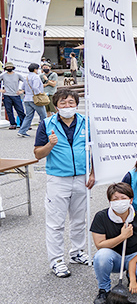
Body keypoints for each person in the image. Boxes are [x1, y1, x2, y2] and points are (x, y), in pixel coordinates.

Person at [33, 88, 95, 277]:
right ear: (56, 105)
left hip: (82, 179)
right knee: (55, 223)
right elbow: (37, 154)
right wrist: (50, 144)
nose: (67, 106)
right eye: (63, 103)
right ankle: (57, 260)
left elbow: (95, 151)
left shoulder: (87, 123)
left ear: (76, 104)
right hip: (58, 179)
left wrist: (92, 173)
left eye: (71, 103)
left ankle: (77, 252)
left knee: (79, 220)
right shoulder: (46, 124)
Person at [90, 183, 137, 304]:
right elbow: (99, 245)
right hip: (114, 258)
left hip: (135, 256)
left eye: (123, 198)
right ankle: (104, 290)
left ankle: (132, 275)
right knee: (101, 256)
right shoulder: (101, 217)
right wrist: (122, 237)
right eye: (115, 199)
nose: (119, 202)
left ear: (131, 200)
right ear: (109, 202)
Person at [18, 63, 47, 137]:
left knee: (28, 116)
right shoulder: (36, 77)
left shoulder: (26, 77)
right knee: (43, 115)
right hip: (35, 99)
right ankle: (45, 131)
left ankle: (22, 131)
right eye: (37, 69)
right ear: (35, 69)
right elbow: (35, 87)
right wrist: (39, 93)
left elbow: (23, 87)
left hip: (27, 98)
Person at [1, 62, 25, 130]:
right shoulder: (3, 75)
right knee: (9, 110)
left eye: (10, 67)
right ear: (5, 68)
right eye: (8, 67)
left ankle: (23, 124)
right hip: (7, 95)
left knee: (20, 110)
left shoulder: (17, 75)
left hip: (16, 95)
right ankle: (12, 123)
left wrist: (22, 91)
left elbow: (25, 82)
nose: (9, 68)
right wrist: (1, 90)